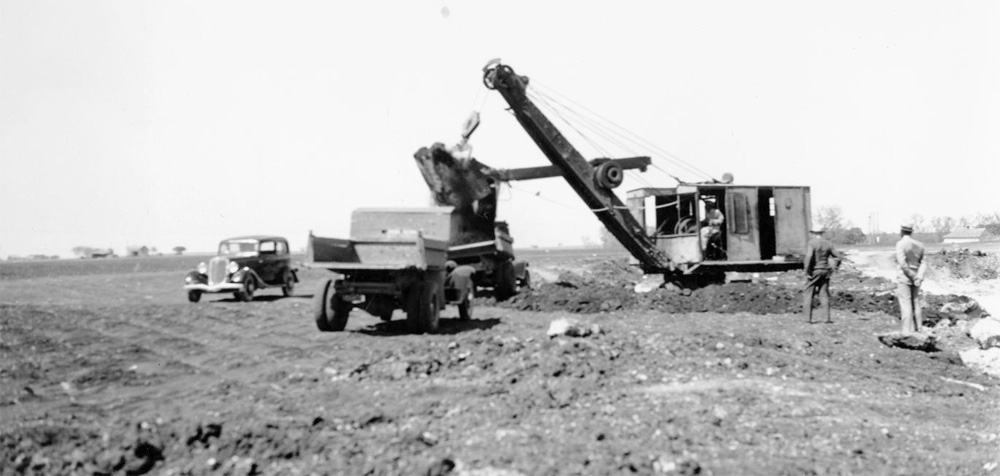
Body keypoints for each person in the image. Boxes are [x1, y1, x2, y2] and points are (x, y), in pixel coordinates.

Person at [803, 226, 841, 323]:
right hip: (825, 271)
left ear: (813, 233)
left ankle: (807, 319)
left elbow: (809, 256)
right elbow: (838, 257)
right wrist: (834, 268)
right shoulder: (828, 243)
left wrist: (807, 271)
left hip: (815, 271)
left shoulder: (812, 243)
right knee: (824, 294)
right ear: (821, 233)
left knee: (808, 293)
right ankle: (826, 319)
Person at [895, 225, 927, 333]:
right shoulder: (920, 245)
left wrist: (912, 276)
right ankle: (919, 329)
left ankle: (907, 332)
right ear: (911, 232)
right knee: (916, 302)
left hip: (905, 277)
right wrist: (919, 276)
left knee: (906, 304)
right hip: (917, 278)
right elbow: (923, 262)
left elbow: (903, 264)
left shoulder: (900, 244)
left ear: (901, 231)